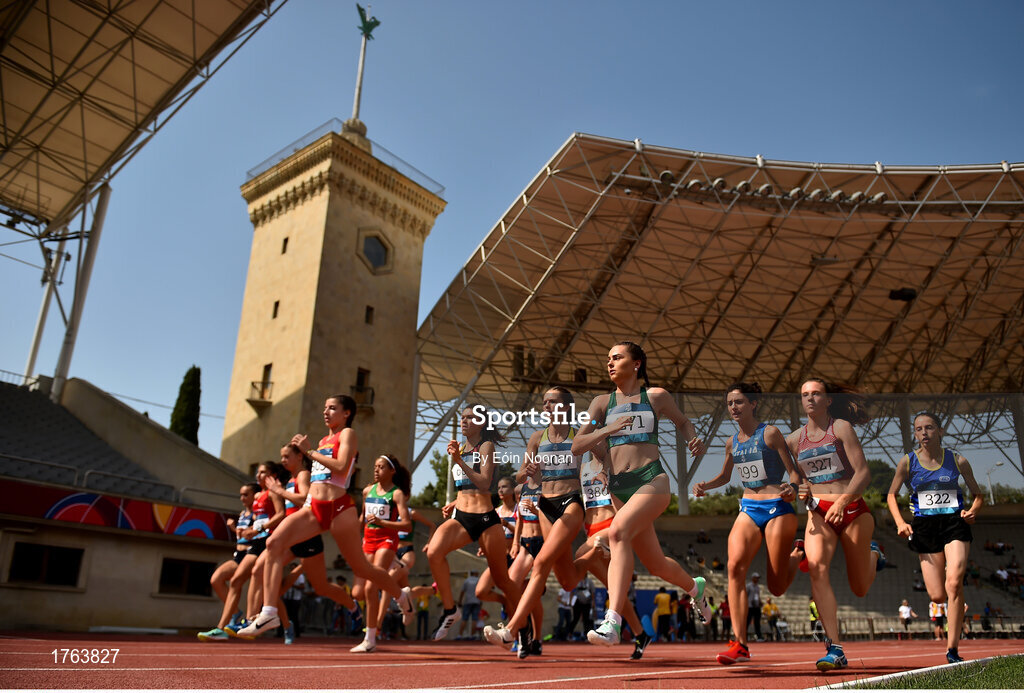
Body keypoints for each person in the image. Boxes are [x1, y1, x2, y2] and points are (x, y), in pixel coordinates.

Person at [237, 395, 413, 639]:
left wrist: (308, 451)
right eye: (325, 408)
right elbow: (319, 478)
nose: (326, 412)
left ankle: (401, 595)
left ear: (346, 413)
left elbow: (341, 467)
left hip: (339, 508)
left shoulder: (347, 435)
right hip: (315, 508)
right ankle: (269, 612)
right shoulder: (322, 440)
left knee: (361, 567)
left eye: (332, 408)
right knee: (273, 543)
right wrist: (311, 455)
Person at [571, 341, 709, 647]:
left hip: (652, 480)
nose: (609, 363)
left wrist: (692, 439)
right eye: (608, 358)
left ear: (636, 365)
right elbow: (577, 445)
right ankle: (695, 587)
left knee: (617, 532)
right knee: (657, 564)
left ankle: (612, 622)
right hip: (620, 489)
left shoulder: (655, 396)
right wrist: (605, 431)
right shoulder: (601, 404)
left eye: (617, 357)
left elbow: (683, 422)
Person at [693, 382, 803, 665]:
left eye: (739, 402)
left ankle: (797, 555)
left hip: (778, 507)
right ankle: (740, 644)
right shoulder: (732, 442)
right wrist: (707, 485)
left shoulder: (771, 433)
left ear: (754, 404)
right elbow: (726, 476)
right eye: (730, 403)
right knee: (734, 567)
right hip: (749, 508)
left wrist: (791, 487)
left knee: (776, 586)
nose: (733, 407)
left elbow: (794, 473)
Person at [789, 378, 882, 671]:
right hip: (818, 513)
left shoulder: (840, 428)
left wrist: (842, 503)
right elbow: (797, 479)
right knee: (815, 568)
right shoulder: (794, 440)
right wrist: (798, 489)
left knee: (860, 588)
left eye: (816, 394)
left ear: (828, 400)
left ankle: (874, 553)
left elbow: (863, 473)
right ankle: (835, 648)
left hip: (852, 509)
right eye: (805, 395)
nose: (810, 399)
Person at [886, 411, 983, 663]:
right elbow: (891, 495)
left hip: (954, 523)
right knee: (937, 596)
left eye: (929, 427)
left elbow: (978, 494)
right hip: (925, 527)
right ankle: (954, 603)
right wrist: (899, 522)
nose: (924, 433)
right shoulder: (907, 463)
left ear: (940, 431)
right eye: (918, 429)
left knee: (954, 581)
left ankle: (952, 650)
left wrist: (972, 511)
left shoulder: (958, 461)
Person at [425, 405, 521, 640]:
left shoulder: (485, 446)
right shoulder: (461, 448)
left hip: (486, 520)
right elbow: (465, 487)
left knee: (502, 581)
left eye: (470, 418)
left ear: (481, 423)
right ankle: (450, 609)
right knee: (434, 552)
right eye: (462, 418)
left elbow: (485, 483)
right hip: (462, 518)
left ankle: (522, 626)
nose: (464, 421)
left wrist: (459, 460)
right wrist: (455, 503)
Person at [350, 453, 414, 652]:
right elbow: (362, 517)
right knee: (357, 593)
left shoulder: (396, 494)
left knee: (371, 588)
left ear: (392, 471)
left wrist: (382, 523)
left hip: (387, 540)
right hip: (367, 541)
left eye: (381, 467)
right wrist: (354, 535)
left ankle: (370, 639)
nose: (376, 470)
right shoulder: (368, 491)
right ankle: (403, 596)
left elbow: (407, 525)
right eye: (375, 466)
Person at [198, 482, 258, 640]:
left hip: (252, 554)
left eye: (246, 495)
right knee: (216, 579)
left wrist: (235, 529)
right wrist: (235, 529)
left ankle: (287, 626)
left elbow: (256, 534)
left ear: (254, 495)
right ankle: (236, 613)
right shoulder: (243, 514)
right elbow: (242, 536)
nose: (242, 498)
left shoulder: (257, 514)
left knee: (267, 592)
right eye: (241, 495)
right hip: (238, 556)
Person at [458, 571, 482, 640]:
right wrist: (480, 601)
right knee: (474, 619)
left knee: (464, 619)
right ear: (475, 573)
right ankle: (472, 635)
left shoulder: (466, 581)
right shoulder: (478, 580)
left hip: (467, 602)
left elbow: (462, 592)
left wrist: (460, 601)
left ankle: (460, 635)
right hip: (476, 602)